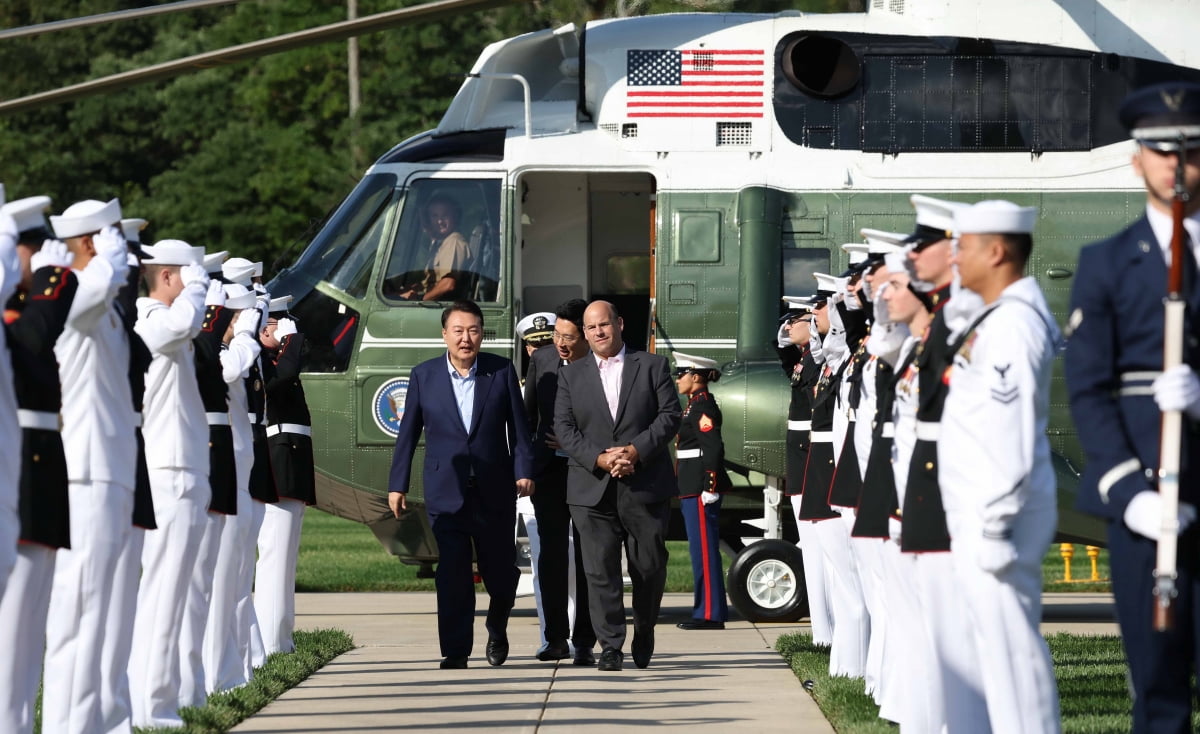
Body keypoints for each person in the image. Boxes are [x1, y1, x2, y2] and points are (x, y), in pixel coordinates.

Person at [1066, 81, 1200, 734]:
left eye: (1191, 150)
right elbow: (1087, 390)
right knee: (1159, 688)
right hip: (1145, 504)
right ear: (1138, 159)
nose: (1177, 165)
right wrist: (1128, 493)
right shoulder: (1107, 263)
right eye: (1162, 150)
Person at [941, 199, 1062, 733]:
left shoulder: (1013, 326)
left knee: (1014, 658)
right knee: (994, 656)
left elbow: (1012, 433)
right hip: (983, 509)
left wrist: (995, 521)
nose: (954, 259)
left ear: (996, 251)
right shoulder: (996, 319)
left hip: (998, 515)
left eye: (962, 248)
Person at [388, 299, 534, 669]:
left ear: (482, 334)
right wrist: (397, 484)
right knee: (452, 573)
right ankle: (456, 650)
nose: (466, 338)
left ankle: (497, 624)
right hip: (445, 490)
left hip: (494, 488)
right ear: (444, 334)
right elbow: (408, 435)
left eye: (473, 331)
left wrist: (523, 469)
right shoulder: (424, 376)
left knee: (500, 572)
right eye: (458, 331)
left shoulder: (499, 372)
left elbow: (518, 431)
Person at [43, 198, 136, 734]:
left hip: (109, 467)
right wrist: (100, 256)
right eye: (110, 237)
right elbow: (97, 283)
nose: (120, 248)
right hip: (86, 470)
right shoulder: (72, 297)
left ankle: (93, 720)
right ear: (86, 244)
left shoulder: (99, 304)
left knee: (97, 610)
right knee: (79, 609)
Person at [553, 300, 681, 672]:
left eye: (604, 325)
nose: (598, 333)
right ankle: (610, 646)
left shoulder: (652, 366)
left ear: (620, 324)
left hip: (644, 485)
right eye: (591, 328)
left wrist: (633, 451)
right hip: (591, 487)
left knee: (649, 566)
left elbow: (669, 415)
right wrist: (600, 458)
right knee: (599, 569)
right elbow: (564, 429)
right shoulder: (570, 376)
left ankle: (644, 630)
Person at [0, 195, 77, 734]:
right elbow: (33, 338)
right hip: (23, 471)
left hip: (36, 469)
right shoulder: (17, 317)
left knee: (28, 624)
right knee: (14, 622)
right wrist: (55, 281)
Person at [127, 238, 211, 729]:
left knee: (173, 592)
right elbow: (185, 322)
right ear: (167, 277)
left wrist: (194, 280)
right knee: (162, 591)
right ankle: (152, 705)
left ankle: (160, 696)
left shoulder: (165, 325)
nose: (194, 287)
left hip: (182, 467)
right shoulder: (154, 320)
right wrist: (197, 283)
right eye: (187, 276)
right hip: (170, 470)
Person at [523, 299, 595, 664]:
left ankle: (585, 639)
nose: (561, 343)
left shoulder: (599, 365)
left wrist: (577, 442)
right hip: (549, 474)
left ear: (584, 335)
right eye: (556, 335)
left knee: (587, 557)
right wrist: (526, 467)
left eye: (568, 337)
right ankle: (554, 638)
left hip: (586, 473)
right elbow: (528, 416)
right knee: (550, 556)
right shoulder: (543, 360)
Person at [257, 296, 316, 657]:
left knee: (284, 554)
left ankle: (280, 637)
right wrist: (289, 342)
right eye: (281, 324)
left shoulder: (272, 357)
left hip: (289, 456)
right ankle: (272, 641)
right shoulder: (262, 358)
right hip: (279, 458)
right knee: (276, 554)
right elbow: (283, 377)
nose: (289, 332)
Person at [672, 351, 731, 630]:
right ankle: (707, 610)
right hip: (690, 485)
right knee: (700, 551)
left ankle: (709, 614)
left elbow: (713, 447)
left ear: (696, 377)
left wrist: (710, 485)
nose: (678, 379)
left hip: (699, 487)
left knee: (705, 552)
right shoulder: (693, 405)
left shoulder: (702, 406)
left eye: (681, 374)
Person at [396, 195, 474, 301]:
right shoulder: (439, 243)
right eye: (434, 216)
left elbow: (448, 284)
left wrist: (420, 301)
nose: (440, 221)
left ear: (455, 216)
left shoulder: (453, 241)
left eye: (445, 215)